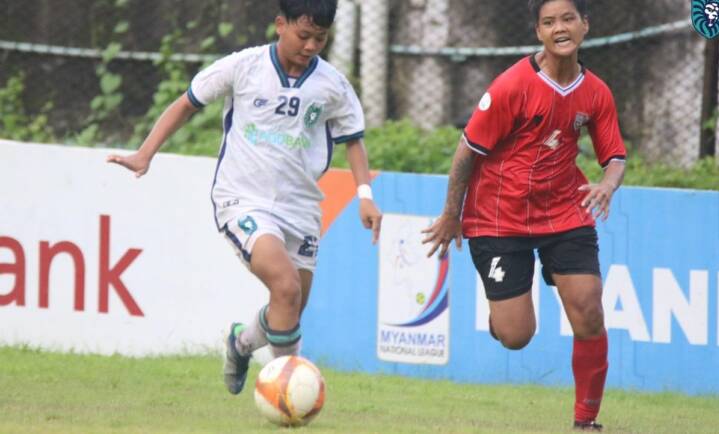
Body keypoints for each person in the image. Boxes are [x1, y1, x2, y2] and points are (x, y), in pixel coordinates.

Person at [107, 0, 382, 396]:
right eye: (303, 36)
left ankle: (240, 343)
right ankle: (289, 397)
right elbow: (187, 103)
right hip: (242, 199)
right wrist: (145, 152)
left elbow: (353, 140)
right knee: (285, 287)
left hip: (301, 207)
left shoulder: (332, 85)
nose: (310, 46)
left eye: (319, 39)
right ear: (280, 25)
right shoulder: (243, 66)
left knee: (290, 306)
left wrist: (365, 195)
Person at [422, 0, 625, 431]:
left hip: (564, 212)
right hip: (498, 218)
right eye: (549, 22)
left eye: (568, 18)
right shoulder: (512, 86)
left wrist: (608, 183)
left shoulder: (597, 92)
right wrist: (450, 214)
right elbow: (466, 153)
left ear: (585, 25)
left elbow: (615, 157)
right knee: (517, 336)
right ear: (538, 32)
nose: (560, 28)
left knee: (588, 309)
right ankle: (503, 319)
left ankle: (585, 422)